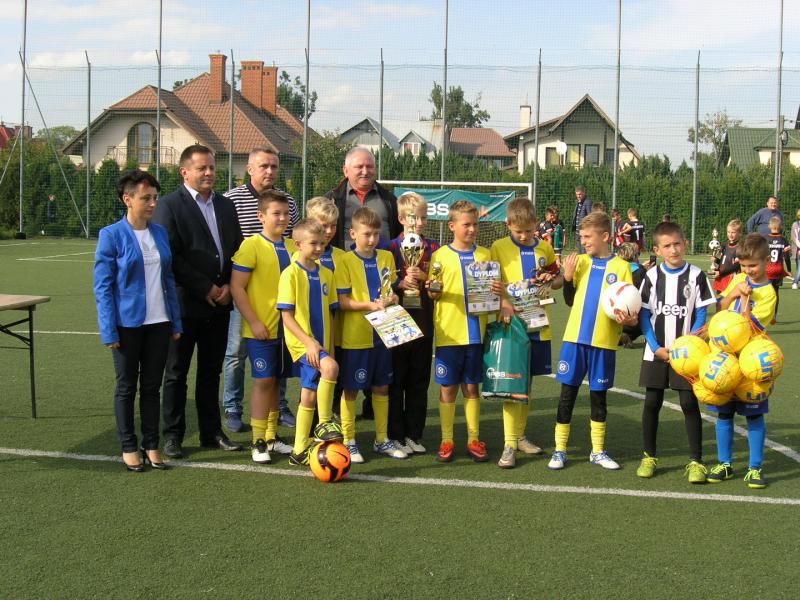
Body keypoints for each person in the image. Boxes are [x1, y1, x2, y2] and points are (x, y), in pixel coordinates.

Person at [153, 144, 244, 458]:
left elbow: (237, 250)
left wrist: (229, 285)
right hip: (184, 305)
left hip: (220, 305)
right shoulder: (169, 205)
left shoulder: (226, 205)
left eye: (211, 167)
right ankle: (173, 435)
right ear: (184, 172)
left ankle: (211, 432)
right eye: (201, 168)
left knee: (210, 372)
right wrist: (206, 288)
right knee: (176, 373)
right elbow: (171, 256)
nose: (208, 173)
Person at [94, 170, 182, 472]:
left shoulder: (159, 233)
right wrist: (108, 329)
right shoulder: (111, 235)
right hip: (126, 325)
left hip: (159, 322)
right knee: (126, 387)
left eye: (155, 197)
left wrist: (175, 321)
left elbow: (168, 279)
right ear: (127, 199)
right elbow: (103, 286)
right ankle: (128, 446)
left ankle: (151, 444)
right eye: (146, 198)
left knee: (152, 388)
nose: (153, 203)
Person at [547, 211, 636, 471]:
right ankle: (560, 450)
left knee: (599, 398)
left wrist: (630, 320)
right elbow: (569, 300)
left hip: (604, 343)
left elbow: (628, 305)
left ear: (605, 236)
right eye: (582, 237)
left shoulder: (621, 267)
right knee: (567, 396)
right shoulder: (580, 262)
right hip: (574, 340)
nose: (583, 241)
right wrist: (567, 277)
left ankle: (597, 451)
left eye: (588, 237)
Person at [223, 147, 299, 432]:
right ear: (249, 169)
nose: (269, 171)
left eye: (274, 166)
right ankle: (233, 407)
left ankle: (279, 407)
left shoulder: (288, 201)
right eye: (264, 166)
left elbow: (293, 242)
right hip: (245, 288)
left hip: (278, 294)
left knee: (279, 352)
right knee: (236, 352)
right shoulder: (231, 199)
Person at [635, 222, 716, 484]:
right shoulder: (651, 276)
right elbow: (644, 314)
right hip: (656, 351)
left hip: (687, 355)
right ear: (657, 250)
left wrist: (688, 343)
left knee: (689, 404)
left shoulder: (696, 275)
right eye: (667, 246)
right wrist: (654, 346)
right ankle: (649, 456)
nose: (673, 250)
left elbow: (701, 312)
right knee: (652, 403)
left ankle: (696, 461)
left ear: (685, 243)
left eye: (677, 244)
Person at [490, 198, 562, 468]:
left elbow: (555, 279)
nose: (524, 235)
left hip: (538, 324)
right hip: (511, 324)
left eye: (529, 231)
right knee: (513, 384)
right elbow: (491, 283)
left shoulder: (545, 247)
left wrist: (550, 280)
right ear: (508, 224)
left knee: (528, 383)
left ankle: (520, 436)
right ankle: (509, 444)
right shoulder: (498, 247)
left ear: (536, 225)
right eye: (518, 231)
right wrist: (505, 302)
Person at [428, 200, 500, 463]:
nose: (472, 229)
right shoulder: (440, 256)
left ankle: (473, 438)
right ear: (452, 226)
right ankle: (447, 439)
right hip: (449, 333)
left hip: (476, 334)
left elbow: (493, 291)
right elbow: (433, 294)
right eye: (466, 224)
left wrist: (496, 291)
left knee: (471, 387)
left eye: (475, 224)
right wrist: (432, 289)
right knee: (448, 388)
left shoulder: (485, 255)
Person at [229, 190, 296, 464]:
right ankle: (258, 441)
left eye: (286, 213)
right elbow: (237, 287)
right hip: (262, 330)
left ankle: (271, 437)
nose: (282, 218)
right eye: (276, 213)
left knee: (277, 381)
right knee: (263, 381)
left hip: (288, 330)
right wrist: (254, 321)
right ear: (261, 216)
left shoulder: (294, 246)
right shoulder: (251, 245)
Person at [335, 207, 405, 463]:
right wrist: (369, 305)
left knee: (382, 387)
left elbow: (391, 293)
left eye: (376, 234)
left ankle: (381, 439)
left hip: (384, 334)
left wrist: (393, 298)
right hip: (356, 337)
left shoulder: (386, 257)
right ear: (353, 234)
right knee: (351, 389)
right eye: (367, 234)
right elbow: (342, 301)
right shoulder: (345, 261)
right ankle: (349, 441)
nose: (372, 239)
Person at [708, 234, 777, 488]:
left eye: (753, 265)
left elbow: (749, 326)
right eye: (744, 266)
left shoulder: (768, 293)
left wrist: (745, 298)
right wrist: (735, 293)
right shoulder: (738, 280)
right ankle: (724, 463)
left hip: (752, 361)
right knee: (724, 413)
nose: (748, 271)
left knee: (754, 415)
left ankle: (755, 468)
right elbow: (721, 307)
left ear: (766, 261)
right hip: (726, 358)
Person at [277, 220, 341, 466]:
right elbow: (287, 316)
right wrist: (309, 343)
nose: (319, 248)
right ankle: (324, 422)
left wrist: (329, 347)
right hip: (302, 344)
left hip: (321, 344)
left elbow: (331, 314)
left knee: (309, 394)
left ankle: (299, 450)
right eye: (313, 243)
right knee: (331, 369)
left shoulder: (326, 274)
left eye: (322, 244)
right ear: (298, 244)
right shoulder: (290, 274)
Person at [387, 192, 440, 455]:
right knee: (396, 382)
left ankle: (414, 434)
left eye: (423, 218)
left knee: (419, 382)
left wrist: (426, 276)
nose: (419, 223)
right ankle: (395, 435)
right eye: (413, 218)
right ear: (400, 218)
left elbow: (439, 286)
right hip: (396, 325)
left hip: (423, 324)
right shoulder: (389, 248)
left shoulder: (434, 248)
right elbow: (382, 283)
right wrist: (400, 283)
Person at [304, 196, 346, 420]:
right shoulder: (301, 256)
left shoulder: (342, 256)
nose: (328, 231)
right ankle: (309, 428)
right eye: (323, 225)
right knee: (310, 382)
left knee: (336, 378)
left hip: (340, 330)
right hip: (311, 333)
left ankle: (332, 420)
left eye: (333, 226)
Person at [326, 147, 401, 250]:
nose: (365, 172)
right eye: (359, 167)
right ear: (346, 171)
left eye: (369, 166)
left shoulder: (390, 200)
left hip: (382, 260)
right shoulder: (331, 200)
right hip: (343, 260)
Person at [615, 242, 648, 348]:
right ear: (635, 256)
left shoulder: (615, 270)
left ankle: (622, 335)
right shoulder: (640, 271)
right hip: (635, 317)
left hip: (617, 316)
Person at [765, 216, 791, 322]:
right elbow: (787, 257)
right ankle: (774, 315)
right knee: (776, 293)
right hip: (778, 270)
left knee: (765, 292)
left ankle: (765, 313)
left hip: (767, 270)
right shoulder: (783, 240)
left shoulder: (766, 239)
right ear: (780, 227)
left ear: (769, 226)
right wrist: (789, 270)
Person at [712, 219, 742, 295]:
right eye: (728, 232)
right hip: (721, 278)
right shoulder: (724, 246)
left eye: (733, 232)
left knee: (729, 300)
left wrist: (720, 273)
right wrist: (715, 262)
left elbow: (736, 266)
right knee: (719, 300)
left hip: (731, 279)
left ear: (739, 233)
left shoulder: (740, 247)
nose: (730, 234)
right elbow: (720, 261)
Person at [570, 186, 592, 253]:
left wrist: (587, 228)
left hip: (584, 230)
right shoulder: (578, 202)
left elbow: (590, 216)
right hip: (578, 230)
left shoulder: (588, 202)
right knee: (579, 250)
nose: (578, 196)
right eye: (577, 194)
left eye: (580, 194)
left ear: (584, 193)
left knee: (583, 249)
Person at [792, 209, 800, 289]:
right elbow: (795, 238)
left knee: (799, 268)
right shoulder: (795, 224)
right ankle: (795, 282)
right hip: (797, 250)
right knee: (799, 268)